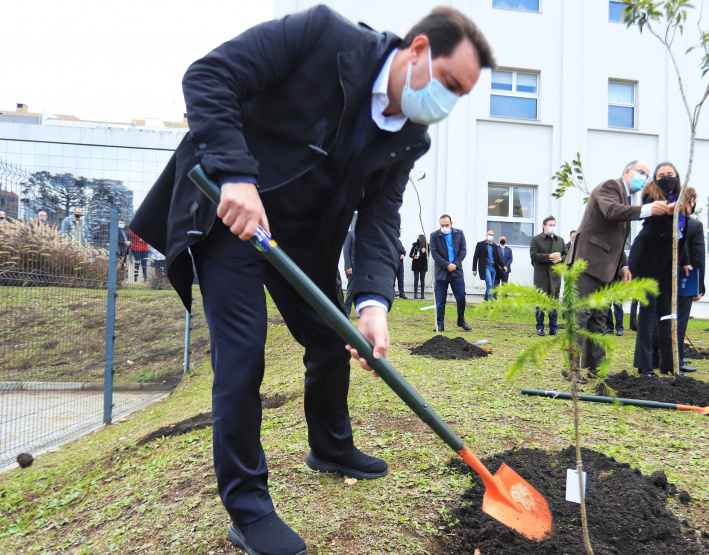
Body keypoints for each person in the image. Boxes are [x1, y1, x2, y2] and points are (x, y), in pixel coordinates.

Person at [128, 6, 493, 554]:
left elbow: (379, 217)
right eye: (448, 82)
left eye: (459, 94)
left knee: (332, 337)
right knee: (243, 353)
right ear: (417, 50)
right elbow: (208, 76)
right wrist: (236, 174)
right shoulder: (324, 38)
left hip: (300, 235)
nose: (447, 102)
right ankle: (249, 511)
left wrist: (373, 301)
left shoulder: (409, 138)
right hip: (231, 214)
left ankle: (330, 446)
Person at [569, 160, 670, 376]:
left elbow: (616, 238)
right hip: (586, 261)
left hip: (605, 266)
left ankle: (596, 367)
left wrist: (623, 265)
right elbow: (611, 211)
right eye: (641, 172)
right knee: (581, 315)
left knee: (598, 318)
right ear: (627, 172)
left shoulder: (625, 198)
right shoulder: (610, 187)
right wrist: (648, 209)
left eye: (647, 174)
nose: (644, 177)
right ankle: (572, 367)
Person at [629, 162, 689, 377]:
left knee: (667, 313)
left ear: (677, 176)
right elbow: (657, 225)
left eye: (669, 174)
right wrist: (669, 213)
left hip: (667, 263)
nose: (666, 177)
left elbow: (681, 235)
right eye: (661, 174)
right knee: (648, 311)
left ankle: (669, 364)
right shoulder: (651, 195)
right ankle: (644, 366)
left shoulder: (681, 199)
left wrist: (685, 261)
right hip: (646, 259)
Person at [675, 188, 705, 373]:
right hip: (686, 277)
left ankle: (663, 357)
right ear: (691, 201)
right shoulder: (694, 226)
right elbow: (698, 256)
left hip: (665, 276)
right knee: (680, 319)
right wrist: (699, 286)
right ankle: (677, 359)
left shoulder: (669, 222)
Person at [430, 215, 472, 331]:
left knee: (461, 297)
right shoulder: (434, 236)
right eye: (442, 225)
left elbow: (463, 251)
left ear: (451, 224)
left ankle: (461, 320)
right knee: (440, 299)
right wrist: (446, 265)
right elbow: (434, 254)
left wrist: (455, 264)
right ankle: (440, 323)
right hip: (441, 272)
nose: (444, 227)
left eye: (446, 225)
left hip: (456, 270)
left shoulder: (459, 234)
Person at [530, 216, 567, 337]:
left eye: (554, 225)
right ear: (544, 226)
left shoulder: (560, 241)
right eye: (550, 225)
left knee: (554, 302)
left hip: (555, 277)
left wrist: (561, 258)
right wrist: (549, 257)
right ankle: (540, 327)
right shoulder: (536, 240)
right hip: (541, 277)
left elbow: (568, 255)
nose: (552, 227)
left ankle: (553, 327)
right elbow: (534, 255)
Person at [472, 229, 505, 301]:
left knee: (491, 286)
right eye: (489, 234)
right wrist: (474, 269)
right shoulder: (480, 245)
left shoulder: (495, 246)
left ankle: (485, 302)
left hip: (493, 268)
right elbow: (475, 257)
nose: (491, 236)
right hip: (486, 267)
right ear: (486, 235)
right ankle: (491, 302)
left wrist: (503, 266)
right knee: (489, 284)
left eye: (492, 235)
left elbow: (498, 258)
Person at [342, 229, 357, 317]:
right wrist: (348, 266)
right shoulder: (351, 234)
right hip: (353, 268)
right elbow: (346, 250)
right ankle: (346, 310)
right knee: (351, 290)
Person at [409, 234, 428, 299]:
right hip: (416, 264)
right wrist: (414, 257)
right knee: (416, 278)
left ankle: (422, 295)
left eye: (418, 238)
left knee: (422, 279)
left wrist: (424, 252)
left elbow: (428, 256)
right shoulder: (415, 245)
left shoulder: (427, 245)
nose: (417, 239)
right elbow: (410, 254)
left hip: (423, 265)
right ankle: (415, 294)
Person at [394, 228, 407, 300]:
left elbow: (403, 250)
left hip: (400, 263)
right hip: (395, 261)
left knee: (401, 278)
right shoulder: (393, 240)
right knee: (393, 278)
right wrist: (402, 253)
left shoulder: (399, 241)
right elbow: (399, 249)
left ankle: (402, 293)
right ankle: (392, 292)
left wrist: (403, 254)